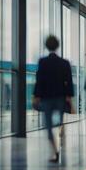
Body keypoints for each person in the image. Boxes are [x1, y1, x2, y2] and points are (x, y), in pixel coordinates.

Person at [33, 35, 74, 163]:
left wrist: (36, 96)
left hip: (46, 98)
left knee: (49, 126)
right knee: (59, 120)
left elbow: (39, 80)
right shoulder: (65, 63)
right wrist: (69, 98)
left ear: (46, 46)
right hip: (60, 97)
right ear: (57, 46)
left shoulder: (42, 62)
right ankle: (61, 131)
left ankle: (55, 151)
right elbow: (69, 82)